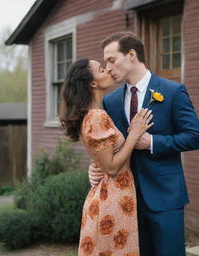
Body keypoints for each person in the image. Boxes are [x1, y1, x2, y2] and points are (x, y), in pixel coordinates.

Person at [88, 31, 199, 256]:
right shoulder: (110, 101)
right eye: (105, 63)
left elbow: (194, 137)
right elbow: (109, 144)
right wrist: (94, 167)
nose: (108, 67)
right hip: (125, 201)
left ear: (131, 55)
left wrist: (152, 142)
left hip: (165, 198)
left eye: (112, 60)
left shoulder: (172, 91)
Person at [60, 58, 153, 256]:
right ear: (93, 83)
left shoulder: (97, 112)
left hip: (113, 194)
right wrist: (134, 134)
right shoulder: (96, 116)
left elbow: (102, 158)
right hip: (111, 198)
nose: (108, 71)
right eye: (102, 70)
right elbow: (111, 168)